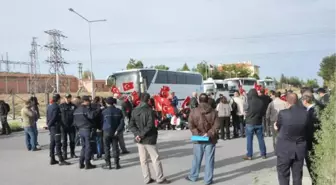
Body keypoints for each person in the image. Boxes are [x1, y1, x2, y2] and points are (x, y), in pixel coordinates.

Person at [129, 93, 170, 184]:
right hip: (149, 138)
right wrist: (141, 135)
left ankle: (146, 178)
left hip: (139, 139)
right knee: (155, 158)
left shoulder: (134, 110)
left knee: (143, 160)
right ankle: (160, 178)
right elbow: (150, 125)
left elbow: (131, 125)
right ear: (148, 100)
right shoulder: (149, 110)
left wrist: (137, 134)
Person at [274, 93, 308, 185]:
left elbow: (279, 127)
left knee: (283, 175)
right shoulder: (306, 113)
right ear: (297, 100)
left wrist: (276, 127)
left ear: (287, 101)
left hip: (284, 148)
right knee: (297, 176)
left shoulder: (283, 113)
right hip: (299, 148)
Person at [186, 93, 219, 185]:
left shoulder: (193, 111)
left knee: (197, 158)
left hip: (198, 138)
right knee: (209, 160)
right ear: (207, 100)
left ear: (199, 100)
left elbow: (191, 125)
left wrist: (198, 134)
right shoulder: (214, 112)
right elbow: (216, 126)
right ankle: (208, 180)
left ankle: (193, 176)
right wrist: (208, 134)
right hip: (210, 139)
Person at [74, 95, 101, 170]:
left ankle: (81, 163)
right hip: (87, 129)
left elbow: (74, 122)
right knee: (88, 147)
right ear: (85, 101)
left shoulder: (76, 110)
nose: (89, 102)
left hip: (80, 130)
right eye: (88, 101)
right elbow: (91, 116)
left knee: (84, 147)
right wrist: (98, 110)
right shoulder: (85, 109)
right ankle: (87, 163)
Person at [301, 93, 319, 185]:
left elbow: (310, 130)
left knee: (312, 166)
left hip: (311, 144)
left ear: (305, 101)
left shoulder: (311, 111)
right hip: (315, 143)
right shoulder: (315, 109)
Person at [243, 89, 267, 160]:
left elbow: (245, 110)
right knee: (261, 139)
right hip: (259, 122)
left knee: (249, 139)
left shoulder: (248, 102)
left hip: (250, 122)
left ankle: (249, 155)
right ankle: (263, 154)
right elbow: (263, 112)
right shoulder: (261, 102)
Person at [101, 97, 125, 170]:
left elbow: (101, 122)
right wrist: (118, 130)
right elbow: (122, 122)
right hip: (115, 131)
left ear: (107, 103)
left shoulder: (104, 112)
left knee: (106, 148)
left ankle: (108, 164)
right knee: (115, 148)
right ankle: (116, 164)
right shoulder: (118, 111)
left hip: (106, 131)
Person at [47, 94, 70, 166]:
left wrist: (48, 124)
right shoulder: (57, 107)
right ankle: (61, 159)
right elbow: (54, 117)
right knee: (58, 143)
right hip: (56, 127)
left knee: (52, 143)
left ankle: (52, 158)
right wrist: (49, 125)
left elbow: (47, 116)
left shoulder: (49, 106)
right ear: (58, 99)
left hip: (52, 127)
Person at [59, 93, 78, 159]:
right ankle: (65, 154)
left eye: (69, 98)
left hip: (71, 126)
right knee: (64, 141)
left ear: (70, 98)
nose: (67, 99)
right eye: (66, 98)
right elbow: (58, 116)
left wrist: (74, 123)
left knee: (72, 141)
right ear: (65, 98)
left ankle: (72, 153)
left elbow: (76, 116)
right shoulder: (61, 106)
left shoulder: (74, 106)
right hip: (63, 126)